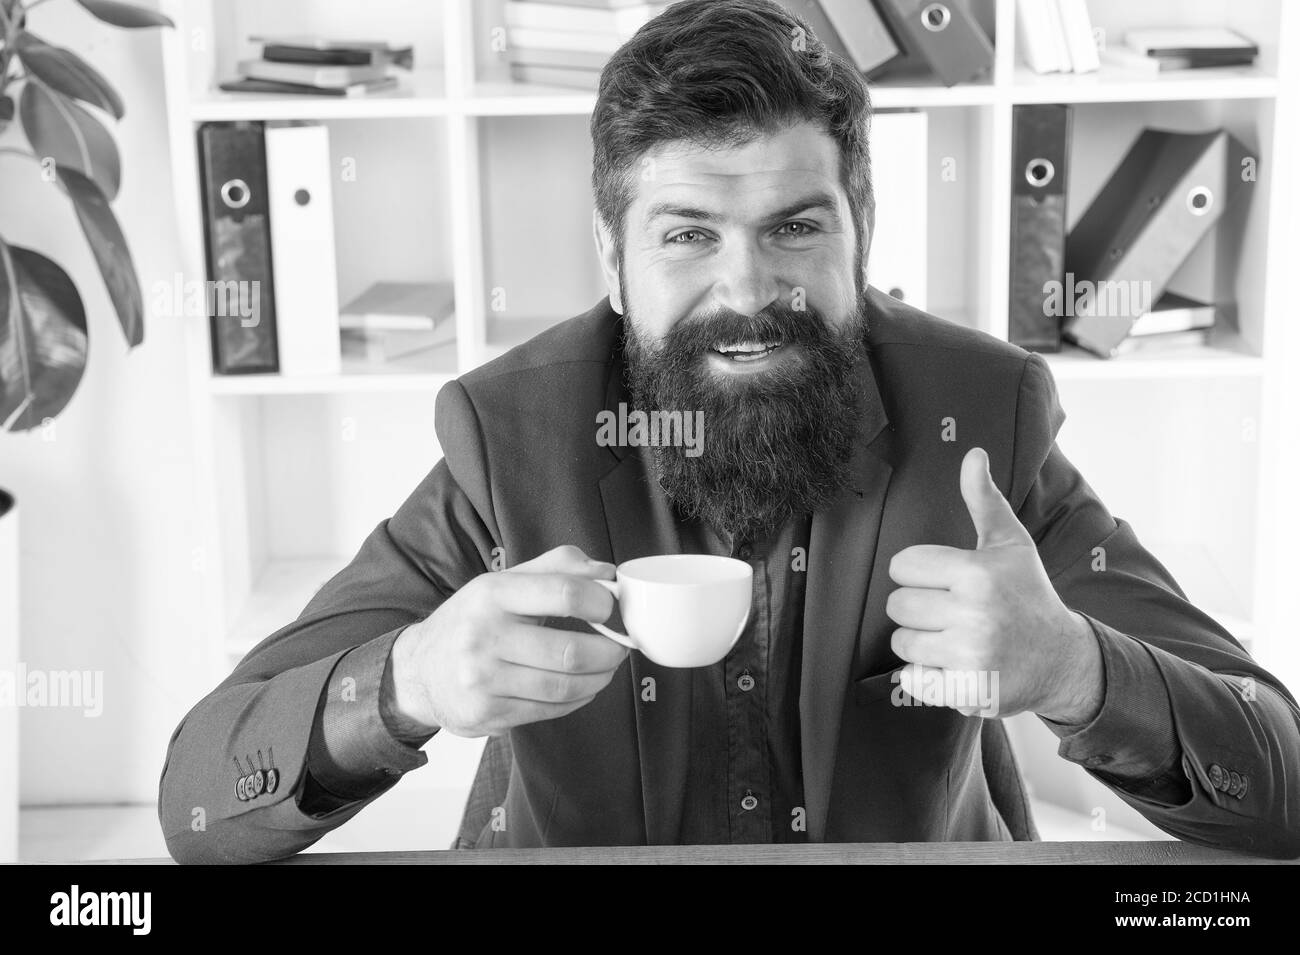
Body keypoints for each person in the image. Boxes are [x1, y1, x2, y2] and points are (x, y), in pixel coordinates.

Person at [158, 0, 1300, 863]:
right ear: (612, 259)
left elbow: (1279, 778)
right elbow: (197, 802)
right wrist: (402, 681)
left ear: (861, 232)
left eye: (795, 226)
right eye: (688, 236)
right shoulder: (512, 435)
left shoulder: (979, 420)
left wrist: (1076, 669)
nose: (749, 286)